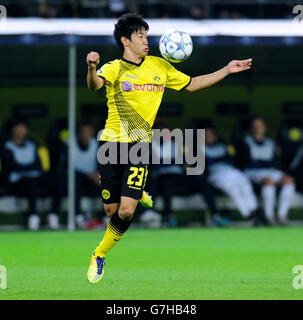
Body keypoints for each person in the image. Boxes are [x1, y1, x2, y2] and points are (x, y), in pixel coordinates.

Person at [86, 12, 252, 284]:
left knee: (126, 213)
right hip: (110, 145)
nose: (146, 41)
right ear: (125, 41)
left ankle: (99, 254)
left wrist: (226, 70)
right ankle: (138, 191)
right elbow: (94, 86)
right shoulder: (113, 67)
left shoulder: (160, 67)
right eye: (140, 36)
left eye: (146, 35)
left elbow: (193, 84)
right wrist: (92, 68)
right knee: (111, 211)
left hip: (139, 145)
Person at [203, 126, 262, 226]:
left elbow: (232, 159)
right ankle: (248, 215)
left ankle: (254, 211)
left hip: (230, 171)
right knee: (233, 189)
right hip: (216, 174)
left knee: (245, 183)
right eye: (206, 135)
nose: (209, 137)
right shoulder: (199, 148)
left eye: (211, 135)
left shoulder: (222, 146)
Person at [243, 116, 295, 225]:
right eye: (255, 126)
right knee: (269, 182)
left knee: (289, 181)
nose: (258, 128)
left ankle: (281, 215)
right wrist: (263, 163)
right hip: (252, 172)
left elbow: (276, 162)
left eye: (260, 126)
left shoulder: (271, 142)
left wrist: (259, 161)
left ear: (264, 127)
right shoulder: (246, 142)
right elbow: (247, 163)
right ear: (251, 128)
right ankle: (268, 217)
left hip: (270, 171)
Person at [49, 121, 100, 229]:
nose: (85, 134)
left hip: (91, 179)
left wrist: (98, 173)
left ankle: (108, 217)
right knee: (73, 180)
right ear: (79, 133)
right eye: (83, 132)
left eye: (87, 132)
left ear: (92, 132)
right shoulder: (70, 144)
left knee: (108, 180)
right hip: (72, 178)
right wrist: (88, 175)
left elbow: (101, 164)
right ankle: (77, 216)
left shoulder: (96, 144)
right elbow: (65, 166)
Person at [1, 119, 43, 230]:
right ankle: (32, 216)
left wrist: (23, 167)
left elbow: (39, 166)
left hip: (33, 181)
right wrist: (27, 168)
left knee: (37, 182)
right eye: (17, 127)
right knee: (30, 182)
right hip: (14, 183)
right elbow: (12, 166)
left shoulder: (32, 145)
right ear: (12, 130)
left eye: (22, 128)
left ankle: (38, 217)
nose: (20, 131)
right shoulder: (6, 146)